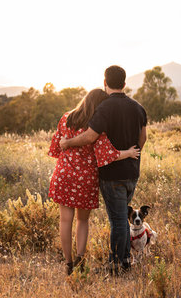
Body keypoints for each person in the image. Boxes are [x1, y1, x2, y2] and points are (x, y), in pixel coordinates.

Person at [60, 66, 147, 274]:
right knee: (122, 216)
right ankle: (124, 260)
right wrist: (132, 156)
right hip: (131, 172)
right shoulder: (138, 107)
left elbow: (90, 137)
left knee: (118, 219)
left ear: (105, 83)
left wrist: (68, 143)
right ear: (125, 84)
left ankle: (118, 263)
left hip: (111, 174)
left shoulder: (104, 108)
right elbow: (143, 138)